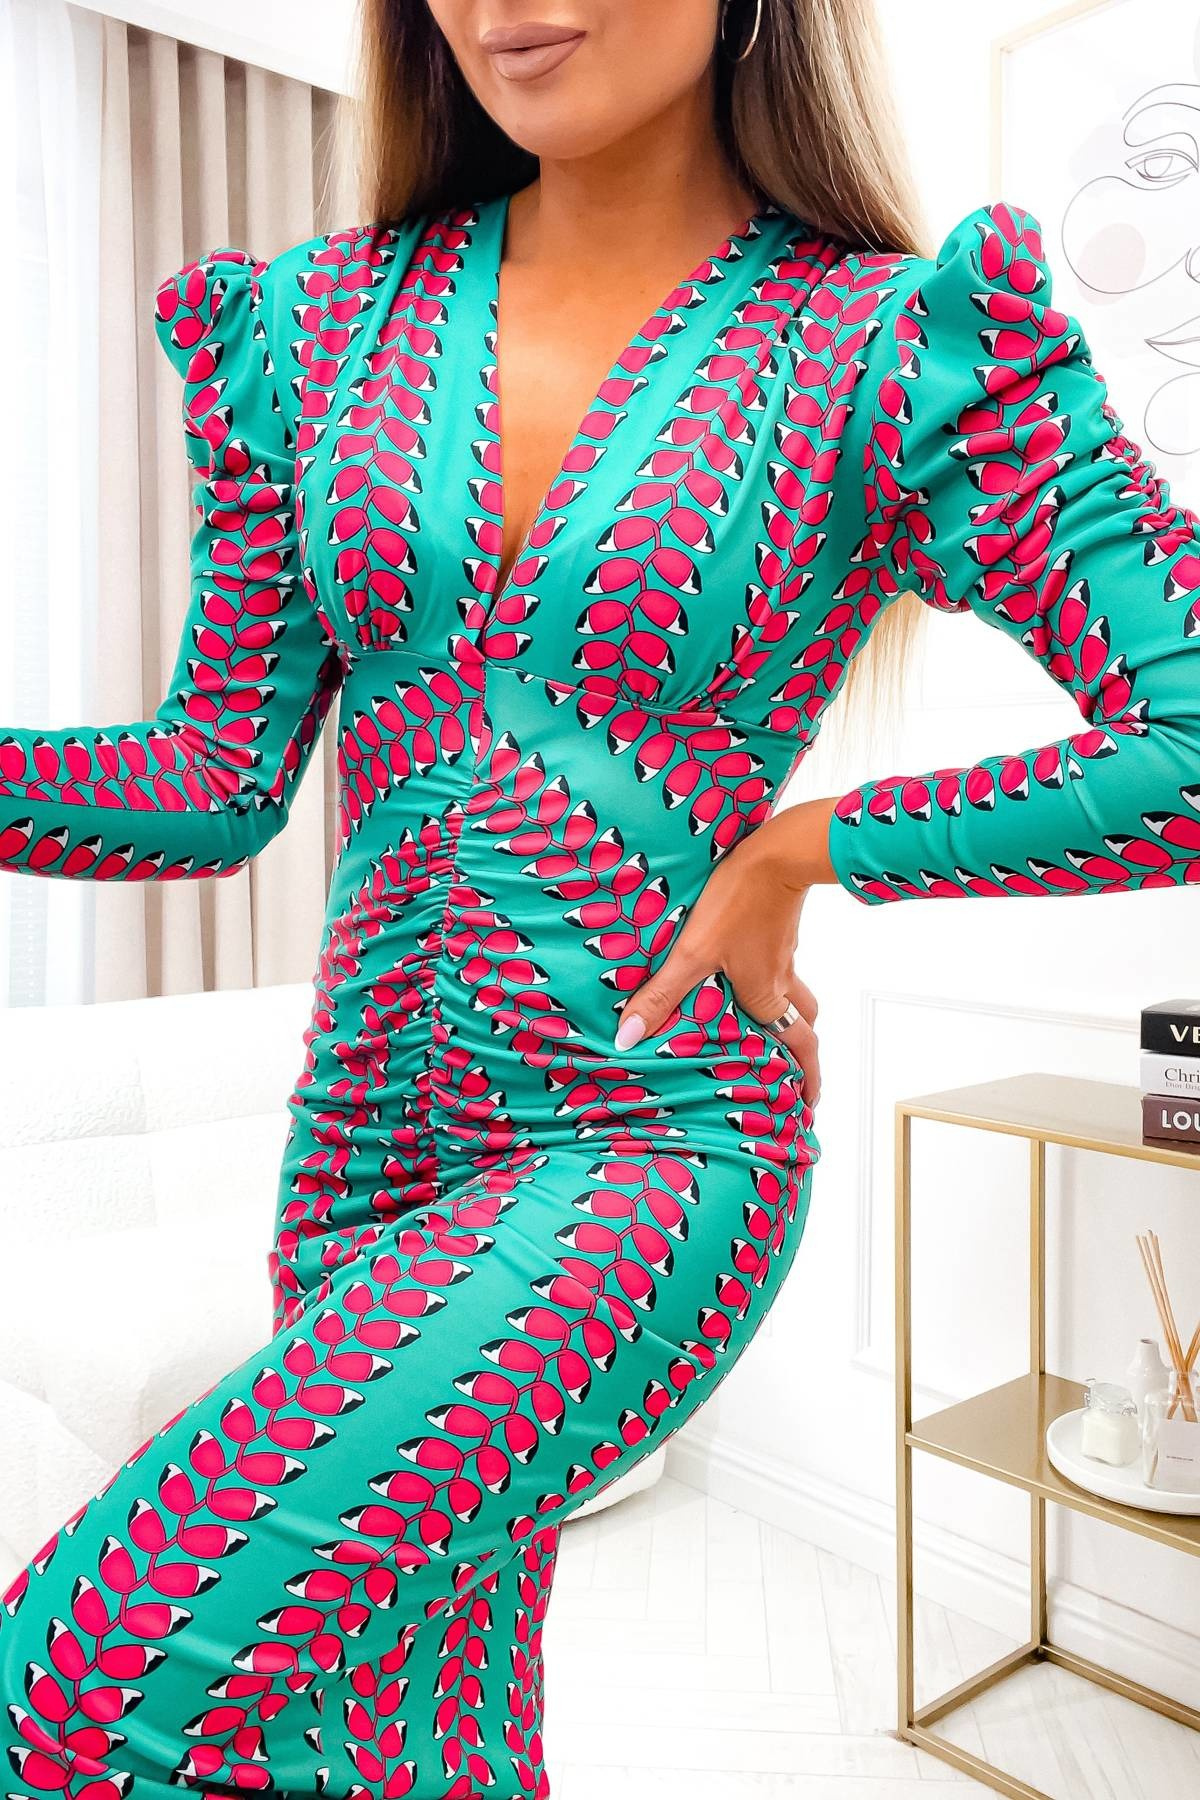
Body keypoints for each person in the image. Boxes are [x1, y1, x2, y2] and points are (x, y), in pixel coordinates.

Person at [2, 1, 1199, 1795]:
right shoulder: (313, 330)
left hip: (647, 1150)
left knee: (86, 1683)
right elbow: (208, 784)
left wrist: (809, 847)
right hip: (358, 1161)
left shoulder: (891, 345)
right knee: (399, 1738)